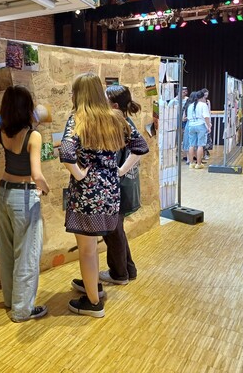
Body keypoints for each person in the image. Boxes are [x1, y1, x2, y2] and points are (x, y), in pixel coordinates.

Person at [60, 73, 147, 318]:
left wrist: (79, 174)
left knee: (87, 250)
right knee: (95, 245)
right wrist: (119, 170)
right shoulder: (116, 117)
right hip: (110, 193)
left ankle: (93, 302)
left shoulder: (77, 119)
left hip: (86, 196)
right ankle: (93, 285)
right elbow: (141, 146)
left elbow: (66, 152)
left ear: (80, 94)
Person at [0, 85, 49, 323]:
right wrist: (46, 188)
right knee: (27, 254)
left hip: (3, 193)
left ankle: (11, 301)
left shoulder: (2, 131)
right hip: (24, 196)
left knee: (8, 251)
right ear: (26, 107)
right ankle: (22, 310)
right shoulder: (33, 136)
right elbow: (37, 174)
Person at [98, 85, 148, 285]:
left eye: (105, 99)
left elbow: (141, 148)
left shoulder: (119, 123)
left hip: (120, 187)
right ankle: (128, 270)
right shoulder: (124, 122)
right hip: (124, 186)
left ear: (115, 106)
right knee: (116, 230)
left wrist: (120, 171)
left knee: (113, 232)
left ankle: (119, 274)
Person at [186, 90, 211, 169]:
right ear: (202, 97)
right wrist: (209, 126)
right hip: (200, 125)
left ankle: (191, 163)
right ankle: (199, 164)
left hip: (191, 125)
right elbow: (206, 117)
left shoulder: (190, 105)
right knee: (200, 145)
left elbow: (188, 117)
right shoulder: (203, 105)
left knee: (191, 145)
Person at [201, 88, 213, 160]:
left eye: (207, 94)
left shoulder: (208, 102)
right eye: (205, 94)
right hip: (201, 121)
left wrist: (209, 122)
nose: (206, 96)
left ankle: (205, 153)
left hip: (207, 121)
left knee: (207, 139)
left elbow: (209, 112)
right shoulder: (199, 102)